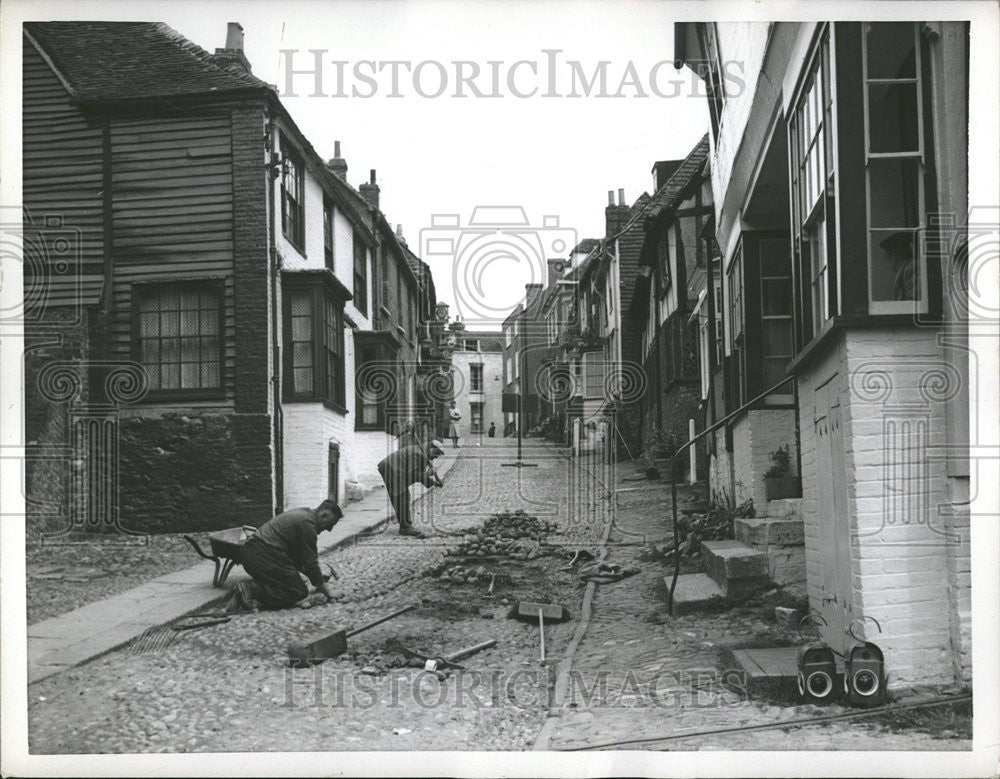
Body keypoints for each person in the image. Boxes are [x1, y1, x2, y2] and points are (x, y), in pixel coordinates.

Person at [225, 499, 343, 612]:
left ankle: (252, 591)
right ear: (324, 515)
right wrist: (327, 591)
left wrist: (316, 579)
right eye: (330, 524)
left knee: (293, 584)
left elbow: (298, 559)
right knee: (298, 592)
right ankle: (251, 589)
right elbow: (310, 562)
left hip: (256, 554)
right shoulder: (308, 524)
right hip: (262, 556)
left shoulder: (305, 514)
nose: (329, 529)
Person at [378, 439, 445, 538]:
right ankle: (405, 528)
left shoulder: (422, 455)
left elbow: (420, 476)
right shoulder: (418, 454)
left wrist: (434, 483)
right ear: (431, 449)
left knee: (401, 497)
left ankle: (404, 525)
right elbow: (413, 475)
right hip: (392, 469)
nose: (436, 457)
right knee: (402, 497)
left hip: (393, 469)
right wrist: (428, 473)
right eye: (436, 454)